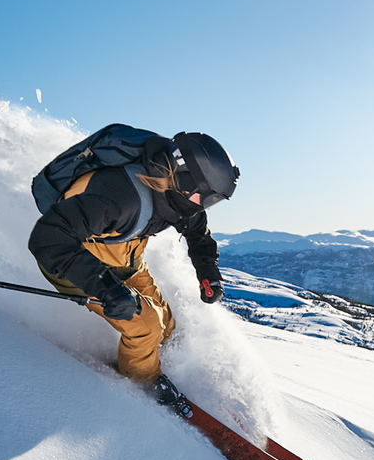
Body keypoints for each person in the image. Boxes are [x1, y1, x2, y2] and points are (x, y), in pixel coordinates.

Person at [27, 128, 238, 388]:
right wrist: (106, 288)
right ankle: (143, 385)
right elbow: (48, 238)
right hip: (76, 262)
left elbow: (197, 233)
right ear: (185, 181)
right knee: (147, 325)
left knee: (165, 323)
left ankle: (157, 362)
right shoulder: (119, 197)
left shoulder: (179, 197)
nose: (204, 206)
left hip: (125, 261)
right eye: (207, 198)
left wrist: (208, 272)